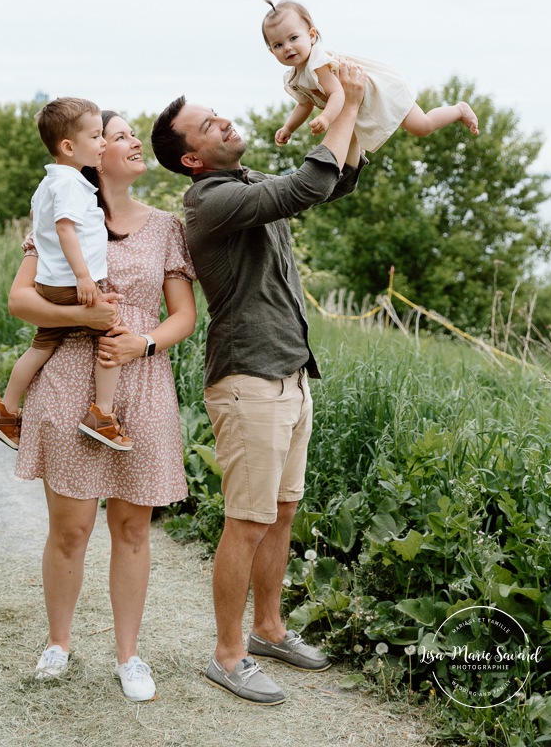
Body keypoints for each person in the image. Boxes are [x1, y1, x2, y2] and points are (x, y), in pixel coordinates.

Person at [150, 62, 366, 706]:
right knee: (246, 520)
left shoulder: (244, 182)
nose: (222, 119)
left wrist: (347, 106)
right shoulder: (211, 202)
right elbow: (305, 185)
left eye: (216, 111)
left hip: (290, 372)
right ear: (192, 159)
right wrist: (345, 99)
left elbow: (332, 181)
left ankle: (268, 629)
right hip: (247, 379)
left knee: (282, 511)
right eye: (206, 123)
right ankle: (227, 653)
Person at [8, 111, 197, 701]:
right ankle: (58, 643)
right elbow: (20, 301)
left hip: (140, 382)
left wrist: (143, 341)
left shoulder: (166, 226)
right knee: (71, 528)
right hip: (67, 378)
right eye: (117, 136)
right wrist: (82, 317)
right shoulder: (59, 209)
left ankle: (129, 656)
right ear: (92, 155)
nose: (132, 142)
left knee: (133, 527)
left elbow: (185, 316)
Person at [0, 97, 131, 453]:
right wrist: (84, 278)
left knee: (42, 344)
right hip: (69, 283)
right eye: (96, 137)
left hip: (51, 282)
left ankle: (6, 409)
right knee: (110, 332)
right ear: (68, 146)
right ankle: (102, 415)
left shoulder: (50, 182)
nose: (104, 143)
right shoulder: (69, 184)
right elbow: (65, 230)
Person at [263, 0, 479, 150]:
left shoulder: (318, 63)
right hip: (361, 106)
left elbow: (337, 94)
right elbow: (304, 104)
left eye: (293, 38)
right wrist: (289, 127)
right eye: (279, 44)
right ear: (272, 52)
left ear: (311, 35)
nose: (288, 48)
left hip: (382, 92)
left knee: (421, 126)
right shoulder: (295, 78)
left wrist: (326, 118)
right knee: (348, 139)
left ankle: (459, 110)